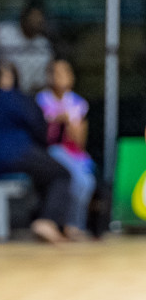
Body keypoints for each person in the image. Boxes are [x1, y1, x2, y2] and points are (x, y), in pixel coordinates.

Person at [0, 61, 70, 244]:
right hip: (16, 153)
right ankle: (46, 221)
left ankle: (41, 221)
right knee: (62, 174)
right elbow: (40, 130)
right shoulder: (16, 99)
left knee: (45, 173)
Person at [36, 57, 95, 239]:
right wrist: (58, 119)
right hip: (50, 150)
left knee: (86, 181)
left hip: (73, 153)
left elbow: (79, 143)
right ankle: (60, 224)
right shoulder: (41, 99)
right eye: (56, 73)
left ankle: (74, 225)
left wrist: (74, 125)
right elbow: (43, 133)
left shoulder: (78, 103)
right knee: (73, 177)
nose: (60, 77)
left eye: (65, 72)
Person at [0, 4, 54, 95]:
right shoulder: (4, 32)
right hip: (3, 90)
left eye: (39, 19)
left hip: (32, 95)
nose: (37, 21)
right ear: (24, 19)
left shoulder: (43, 45)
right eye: (33, 18)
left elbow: (45, 80)